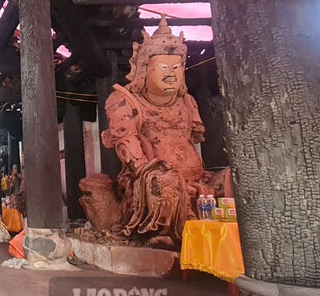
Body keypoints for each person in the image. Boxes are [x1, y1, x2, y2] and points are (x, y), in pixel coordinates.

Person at [80, 17, 217, 249]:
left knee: (233, 180)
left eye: (176, 67)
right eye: (163, 68)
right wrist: (161, 172)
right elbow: (128, 148)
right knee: (162, 183)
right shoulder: (125, 101)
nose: (171, 74)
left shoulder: (188, 102)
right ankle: (161, 233)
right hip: (149, 178)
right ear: (144, 69)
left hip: (196, 178)